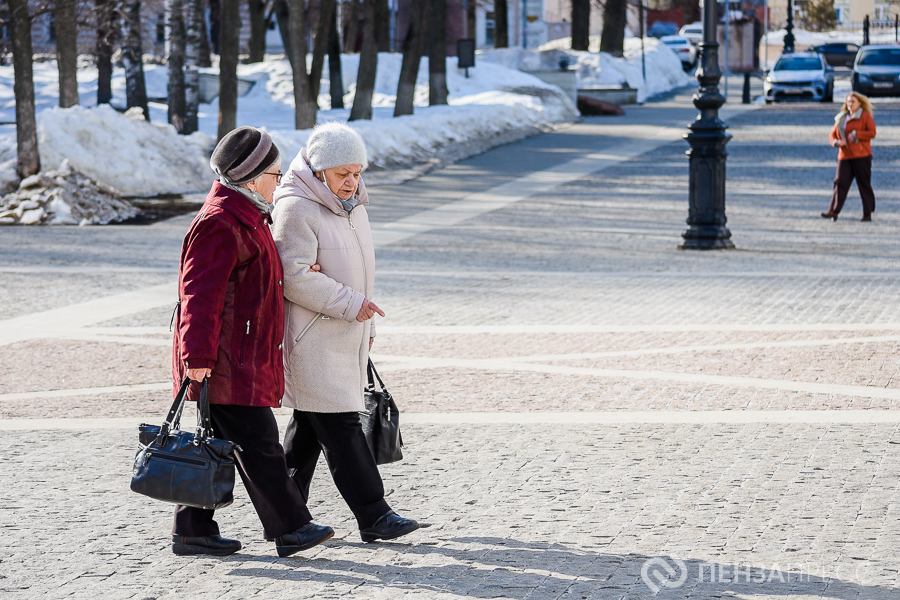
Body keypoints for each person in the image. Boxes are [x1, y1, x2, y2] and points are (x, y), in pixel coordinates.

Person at [171, 126, 334, 558]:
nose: (279, 182)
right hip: (224, 359)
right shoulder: (219, 223)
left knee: (217, 443)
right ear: (249, 177)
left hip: (241, 355)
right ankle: (292, 527)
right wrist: (198, 357)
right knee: (260, 444)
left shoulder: (247, 214)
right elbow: (198, 298)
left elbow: (255, 277)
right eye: (274, 174)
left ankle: (192, 529)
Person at [271, 122, 419, 543]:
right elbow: (293, 276)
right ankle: (374, 515)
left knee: (306, 435)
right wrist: (355, 306)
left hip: (344, 333)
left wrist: (365, 319)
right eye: (342, 173)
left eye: (357, 171)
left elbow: (359, 274)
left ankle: (284, 519)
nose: (352, 181)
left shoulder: (354, 206)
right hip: (311, 338)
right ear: (318, 171)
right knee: (341, 428)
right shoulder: (296, 207)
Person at [822, 92, 877, 222]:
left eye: (853, 102)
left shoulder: (864, 116)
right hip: (844, 155)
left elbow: (872, 132)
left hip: (861, 155)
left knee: (863, 184)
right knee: (840, 182)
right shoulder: (841, 118)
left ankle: (867, 213)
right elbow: (832, 135)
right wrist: (836, 142)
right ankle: (833, 211)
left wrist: (857, 134)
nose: (850, 104)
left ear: (859, 103)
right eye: (848, 102)